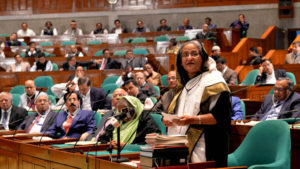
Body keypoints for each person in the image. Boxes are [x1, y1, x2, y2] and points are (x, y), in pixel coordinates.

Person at [162, 40, 232, 166]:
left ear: (203, 58)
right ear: (180, 61)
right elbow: (179, 114)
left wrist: (193, 119)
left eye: (194, 54)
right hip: (180, 146)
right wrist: (169, 120)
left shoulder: (215, 82)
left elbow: (222, 117)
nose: (189, 58)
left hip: (206, 147)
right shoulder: (183, 85)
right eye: (185, 55)